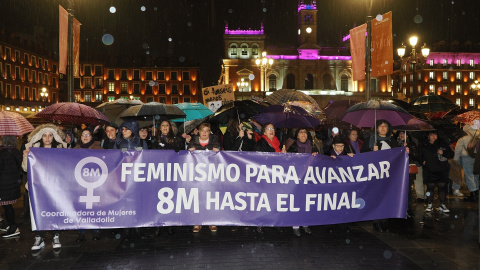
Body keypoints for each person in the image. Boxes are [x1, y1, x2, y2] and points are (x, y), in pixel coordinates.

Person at [22, 124, 67, 252]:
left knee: (55, 210)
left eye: (50, 135)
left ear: (54, 137)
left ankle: (55, 236)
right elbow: (25, 168)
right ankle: (39, 237)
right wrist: (26, 156)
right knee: (38, 211)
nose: (47, 138)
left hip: (54, 186)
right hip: (38, 188)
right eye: (45, 135)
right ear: (40, 137)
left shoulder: (60, 150)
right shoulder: (33, 150)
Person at [361, 119, 400, 232]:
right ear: (376, 128)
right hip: (375, 174)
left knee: (386, 198)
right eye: (381, 126)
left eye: (385, 126)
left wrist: (405, 150)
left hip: (388, 175)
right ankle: (376, 222)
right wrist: (371, 150)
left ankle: (384, 222)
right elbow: (363, 155)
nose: (383, 128)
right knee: (376, 198)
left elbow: (398, 155)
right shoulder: (370, 140)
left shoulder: (392, 141)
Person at [187, 123, 221, 233]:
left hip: (211, 174)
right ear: (198, 132)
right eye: (202, 130)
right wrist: (189, 150)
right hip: (197, 175)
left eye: (207, 130)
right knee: (197, 198)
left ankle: (211, 221)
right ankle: (197, 221)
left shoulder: (215, 141)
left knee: (211, 198)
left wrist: (217, 151)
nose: (205, 133)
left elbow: (220, 154)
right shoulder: (193, 141)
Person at [287, 128, 319, 237]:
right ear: (297, 136)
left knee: (306, 203)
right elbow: (288, 161)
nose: (303, 134)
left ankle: (305, 224)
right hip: (296, 179)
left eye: (305, 132)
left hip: (309, 179)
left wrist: (318, 156)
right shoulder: (293, 147)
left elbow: (322, 159)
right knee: (297, 202)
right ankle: (295, 226)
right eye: (301, 132)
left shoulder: (313, 146)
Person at [74, 128, 103, 242]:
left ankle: (96, 231)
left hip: (94, 183)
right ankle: (81, 232)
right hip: (79, 184)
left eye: (88, 134)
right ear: (80, 137)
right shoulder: (75, 150)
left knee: (95, 208)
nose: (85, 137)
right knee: (80, 208)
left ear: (92, 137)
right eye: (83, 135)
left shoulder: (99, 149)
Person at [419, 130, 454, 213]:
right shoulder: (423, 144)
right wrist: (422, 161)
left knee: (442, 186)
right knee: (430, 187)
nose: (434, 136)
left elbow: (451, 154)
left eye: (435, 134)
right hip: (429, 169)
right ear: (428, 136)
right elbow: (419, 155)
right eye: (431, 134)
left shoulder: (442, 143)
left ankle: (443, 204)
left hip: (442, 169)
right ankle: (429, 204)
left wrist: (443, 152)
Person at [0, 135, 22, 238]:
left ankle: (13, 227)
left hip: (4, 186)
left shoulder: (2, 153)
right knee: (8, 206)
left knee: (7, 206)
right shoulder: (16, 152)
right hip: (12, 185)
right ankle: (9, 225)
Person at [397, 131, 419, 217]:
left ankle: (409, 209)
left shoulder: (411, 144)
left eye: (404, 134)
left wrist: (409, 152)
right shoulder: (395, 144)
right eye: (400, 133)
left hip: (408, 171)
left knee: (408, 190)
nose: (402, 135)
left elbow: (416, 156)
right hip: (398, 171)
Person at [455, 125, 479, 201]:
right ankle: (477, 192)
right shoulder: (478, 137)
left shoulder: (463, 139)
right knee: (476, 174)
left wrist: (455, 159)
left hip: (466, 158)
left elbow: (458, 150)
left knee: (469, 175)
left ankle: (473, 193)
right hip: (477, 158)